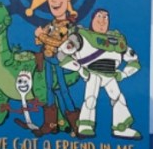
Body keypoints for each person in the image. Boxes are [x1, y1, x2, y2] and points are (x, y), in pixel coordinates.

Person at [57, 9, 143, 139]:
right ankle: (85, 126)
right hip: (92, 74)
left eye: (106, 18)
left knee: (119, 99)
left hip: (111, 75)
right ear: (92, 19)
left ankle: (121, 128)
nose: (102, 21)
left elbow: (134, 61)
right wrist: (80, 69)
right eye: (99, 17)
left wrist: (124, 74)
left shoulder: (117, 40)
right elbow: (62, 55)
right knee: (90, 99)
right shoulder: (81, 37)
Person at [30, 0, 92, 136]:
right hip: (48, 61)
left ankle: (77, 125)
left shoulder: (68, 26)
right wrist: (40, 37)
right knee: (49, 91)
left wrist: (42, 36)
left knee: (63, 91)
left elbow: (60, 43)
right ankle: (51, 124)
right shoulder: (51, 24)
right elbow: (39, 42)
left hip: (62, 62)